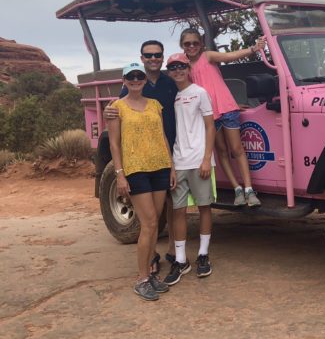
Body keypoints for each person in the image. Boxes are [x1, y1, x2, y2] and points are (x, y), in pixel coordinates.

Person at [104, 40, 179, 271]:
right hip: (138, 161)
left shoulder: (171, 81)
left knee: (172, 204)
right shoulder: (126, 93)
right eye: (148, 55)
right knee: (150, 219)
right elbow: (117, 121)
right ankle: (148, 263)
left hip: (167, 150)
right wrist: (120, 173)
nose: (153, 58)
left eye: (157, 55)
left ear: (162, 57)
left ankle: (174, 252)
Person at [179, 28, 265, 207]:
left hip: (226, 108)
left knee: (236, 148)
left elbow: (230, 56)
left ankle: (249, 189)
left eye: (195, 42)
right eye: (188, 44)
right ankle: (237, 189)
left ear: (201, 44)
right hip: (208, 114)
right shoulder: (184, 67)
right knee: (221, 151)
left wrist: (253, 49)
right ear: (182, 46)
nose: (192, 46)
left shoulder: (208, 56)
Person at [163, 53, 216, 285]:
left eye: (181, 67)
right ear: (169, 71)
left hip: (198, 160)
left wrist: (207, 159)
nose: (178, 71)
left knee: (204, 207)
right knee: (178, 211)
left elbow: (210, 126)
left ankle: (203, 255)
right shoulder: (171, 95)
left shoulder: (200, 92)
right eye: (173, 68)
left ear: (188, 68)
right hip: (179, 160)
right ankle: (181, 260)